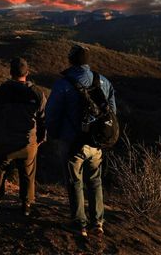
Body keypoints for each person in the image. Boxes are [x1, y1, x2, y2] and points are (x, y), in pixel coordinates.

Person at [46, 44, 116, 237]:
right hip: (96, 143)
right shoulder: (103, 81)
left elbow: (52, 114)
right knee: (95, 181)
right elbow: (112, 112)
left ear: (70, 60)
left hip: (72, 142)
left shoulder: (63, 84)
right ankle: (97, 223)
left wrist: (53, 134)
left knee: (74, 181)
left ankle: (79, 223)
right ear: (88, 61)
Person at [0, 57, 46, 215]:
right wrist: (40, 139)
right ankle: (26, 204)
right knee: (27, 173)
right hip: (27, 142)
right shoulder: (37, 93)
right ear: (28, 72)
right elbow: (44, 119)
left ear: (10, 72)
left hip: (3, 141)